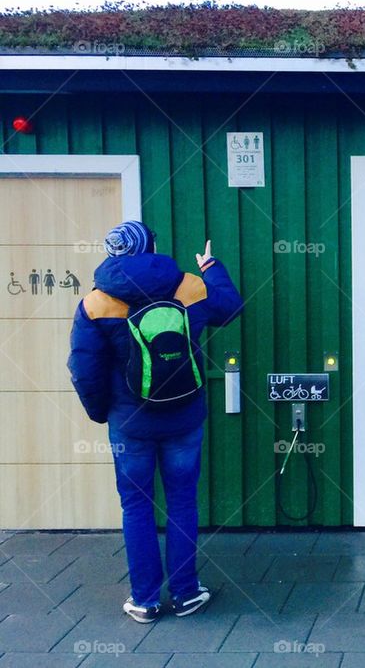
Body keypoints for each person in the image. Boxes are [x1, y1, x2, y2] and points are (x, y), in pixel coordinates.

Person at [67, 220, 243, 623]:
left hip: (130, 425)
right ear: (150, 246)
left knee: (136, 507)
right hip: (184, 415)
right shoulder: (188, 286)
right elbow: (230, 308)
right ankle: (185, 594)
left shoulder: (96, 302)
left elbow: (84, 368)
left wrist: (102, 413)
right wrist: (211, 266)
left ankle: (144, 600)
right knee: (182, 501)